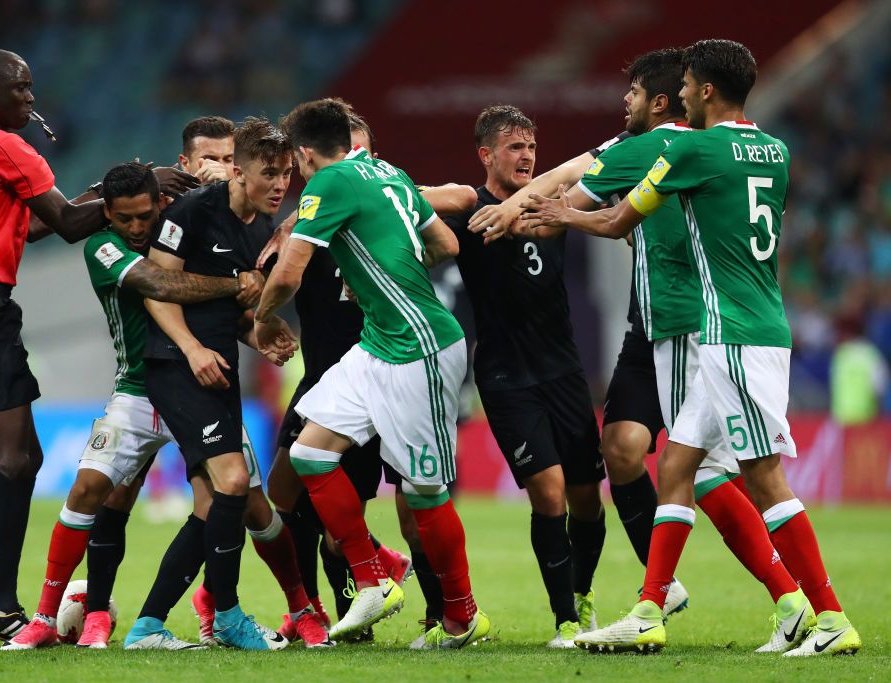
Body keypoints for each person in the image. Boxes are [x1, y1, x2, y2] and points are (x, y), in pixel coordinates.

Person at [524, 39, 861, 657]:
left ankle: (830, 615)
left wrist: (559, 213)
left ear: (706, 90)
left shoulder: (691, 148)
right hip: (748, 325)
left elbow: (616, 220)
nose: (677, 97)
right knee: (678, 464)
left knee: (763, 477)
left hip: (734, 334)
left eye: (684, 86)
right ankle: (651, 607)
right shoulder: (777, 151)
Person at [0, 47, 196, 643]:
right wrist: (136, 187)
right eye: (21, 89)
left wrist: (94, 194)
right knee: (7, 457)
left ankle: (1, 605)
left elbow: (31, 227)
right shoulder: (7, 146)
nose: (32, 98)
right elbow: (70, 224)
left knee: (25, 460)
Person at [0, 162, 265, 649]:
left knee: (250, 502)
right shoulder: (103, 248)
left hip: (202, 386)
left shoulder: (185, 233)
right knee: (91, 488)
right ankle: (46, 616)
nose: (137, 228)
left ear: (161, 204)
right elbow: (160, 286)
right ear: (108, 215)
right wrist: (236, 283)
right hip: (138, 389)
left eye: (145, 216)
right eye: (125, 219)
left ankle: (293, 610)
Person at [255, 98, 489, 649]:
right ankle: (374, 575)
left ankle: (462, 616)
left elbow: (289, 273)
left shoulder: (329, 183)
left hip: (421, 349)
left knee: (424, 492)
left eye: (297, 164)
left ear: (306, 154)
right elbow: (446, 243)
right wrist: (387, 272)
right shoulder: (388, 172)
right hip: (378, 343)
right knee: (310, 452)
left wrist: (265, 318)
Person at [439, 105, 606, 648]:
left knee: (586, 498)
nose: (527, 155)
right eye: (514, 147)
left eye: (532, 146)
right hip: (506, 376)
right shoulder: (471, 208)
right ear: (486, 155)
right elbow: (411, 198)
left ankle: (582, 595)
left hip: (564, 370)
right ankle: (565, 621)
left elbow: (599, 174)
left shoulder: (554, 207)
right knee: (549, 491)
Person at [139, 116, 301, 651]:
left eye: (287, 174)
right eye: (269, 173)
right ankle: (228, 616)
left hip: (218, 366)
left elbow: (230, 313)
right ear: (237, 169)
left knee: (212, 504)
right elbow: (156, 288)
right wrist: (191, 349)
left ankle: (147, 626)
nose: (281, 184)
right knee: (234, 481)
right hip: (175, 363)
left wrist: (261, 337)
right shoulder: (190, 211)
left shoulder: (258, 228)